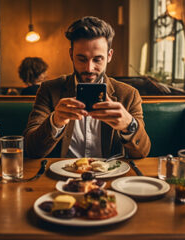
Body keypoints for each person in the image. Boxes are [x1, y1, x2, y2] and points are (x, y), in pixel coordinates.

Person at [23, 16, 151, 159]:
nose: (89, 68)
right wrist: (55, 121)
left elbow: (142, 153)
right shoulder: (49, 90)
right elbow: (31, 149)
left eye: (97, 59)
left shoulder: (128, 95)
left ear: (109, 56)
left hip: (110, 177)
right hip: (62, 177)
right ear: (71, 54)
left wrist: (129, 125)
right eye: (82, 59)